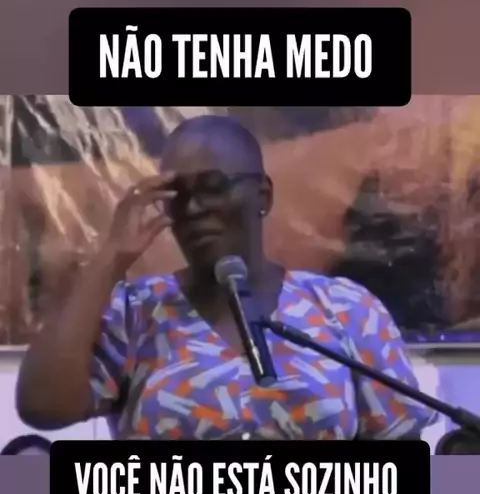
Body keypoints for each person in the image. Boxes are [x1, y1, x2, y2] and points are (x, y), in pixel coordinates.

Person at [16, 115, 437, 440]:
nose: (194, 208)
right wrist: (111, 257)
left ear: (262, 194)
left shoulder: (346, 310)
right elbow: (42, 405)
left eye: (213, 186)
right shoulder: (136, 312)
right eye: (178, 195)